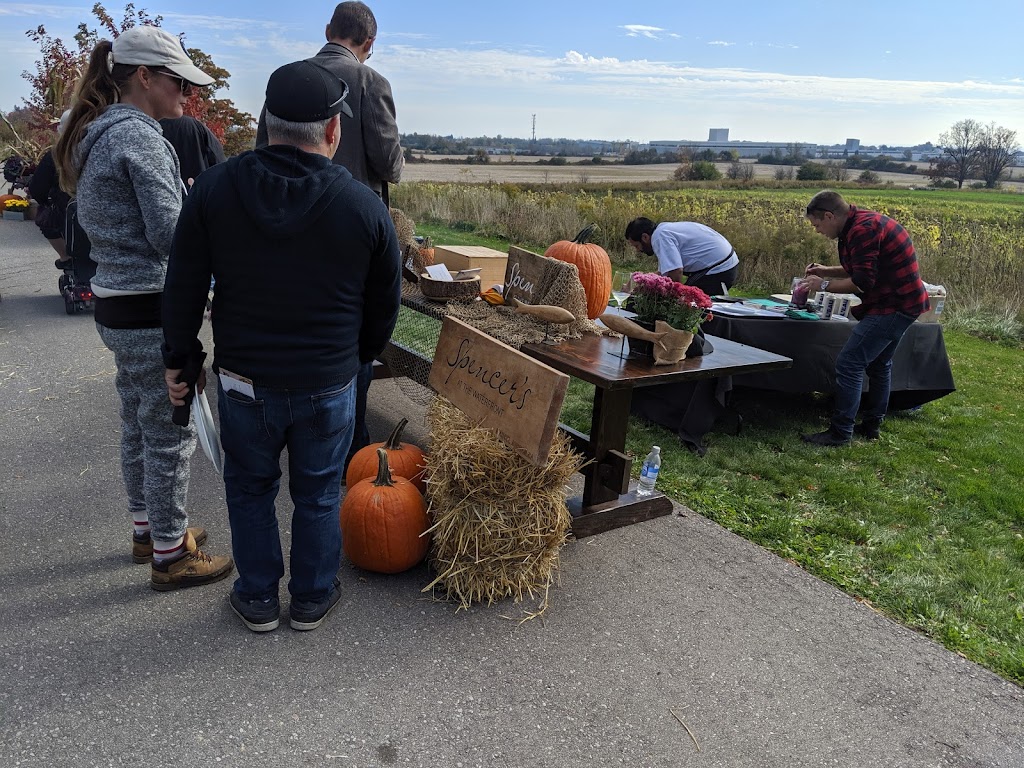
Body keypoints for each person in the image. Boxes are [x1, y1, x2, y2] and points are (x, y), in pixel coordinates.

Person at [163, 59, 402, 632]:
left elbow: (183, 286)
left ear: (266, 120)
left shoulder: (214, 191)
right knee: (319, 492)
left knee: (248, 489)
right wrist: (356, 357)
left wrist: (181, 359)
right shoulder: (365, 208)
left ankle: (258, 598)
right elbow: (383, 306)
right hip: (327, 380)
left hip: (244, 380)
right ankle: (313, 598)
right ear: (333, 131)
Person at [52, 25, 234, 590]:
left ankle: (148, 529)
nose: (187, 94)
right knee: (170, 431)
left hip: (115, 302)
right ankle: (170, 553)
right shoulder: (141, 138)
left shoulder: (96, 132)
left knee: (136, 419)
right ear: (144, 77)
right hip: (150, 306)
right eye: (178, 81)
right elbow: (170, 235)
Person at [256, 1, 404, 470]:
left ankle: (281, 425)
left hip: (281, 227)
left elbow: (264, 154)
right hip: (351, 234)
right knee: (348, 332)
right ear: (370, 45)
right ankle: (346, 450)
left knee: (288, 319)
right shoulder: (369, 82)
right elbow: (388, 163)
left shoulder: (286, 79)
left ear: (327, 30)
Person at [799, 190, 929, 447]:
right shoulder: (859, 224)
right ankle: (871, 425)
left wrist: (822, 284)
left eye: (817, 225)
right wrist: (827, 270)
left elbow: (863, 281)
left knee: (849, 363)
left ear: (829, 215)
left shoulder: (861, 230)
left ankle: (840, 432)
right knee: (879, 364)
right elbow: (865, 265)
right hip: (903, 301)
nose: (817, 231)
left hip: (894, 304)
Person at [624, 217, 739, 296]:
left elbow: (676, 272)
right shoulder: (663, 231)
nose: (638, 250)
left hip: (718, 269)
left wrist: (671, 298)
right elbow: (665, 273)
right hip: (724, 264)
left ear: (645, 237)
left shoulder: (660, 236)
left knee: (687, 305)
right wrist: (637, 282)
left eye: (637, 246)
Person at [28, 111, 72, 267]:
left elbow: (37, 188)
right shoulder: (101, 150)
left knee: (46, 218)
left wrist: (44, 202)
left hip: (67, 211)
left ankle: (66, 257)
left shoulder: (55, 156)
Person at [159, 115, 227, 190]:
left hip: (165, 190)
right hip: (200, 190)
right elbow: (218, 159)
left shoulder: (151, 130)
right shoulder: (193, 125)